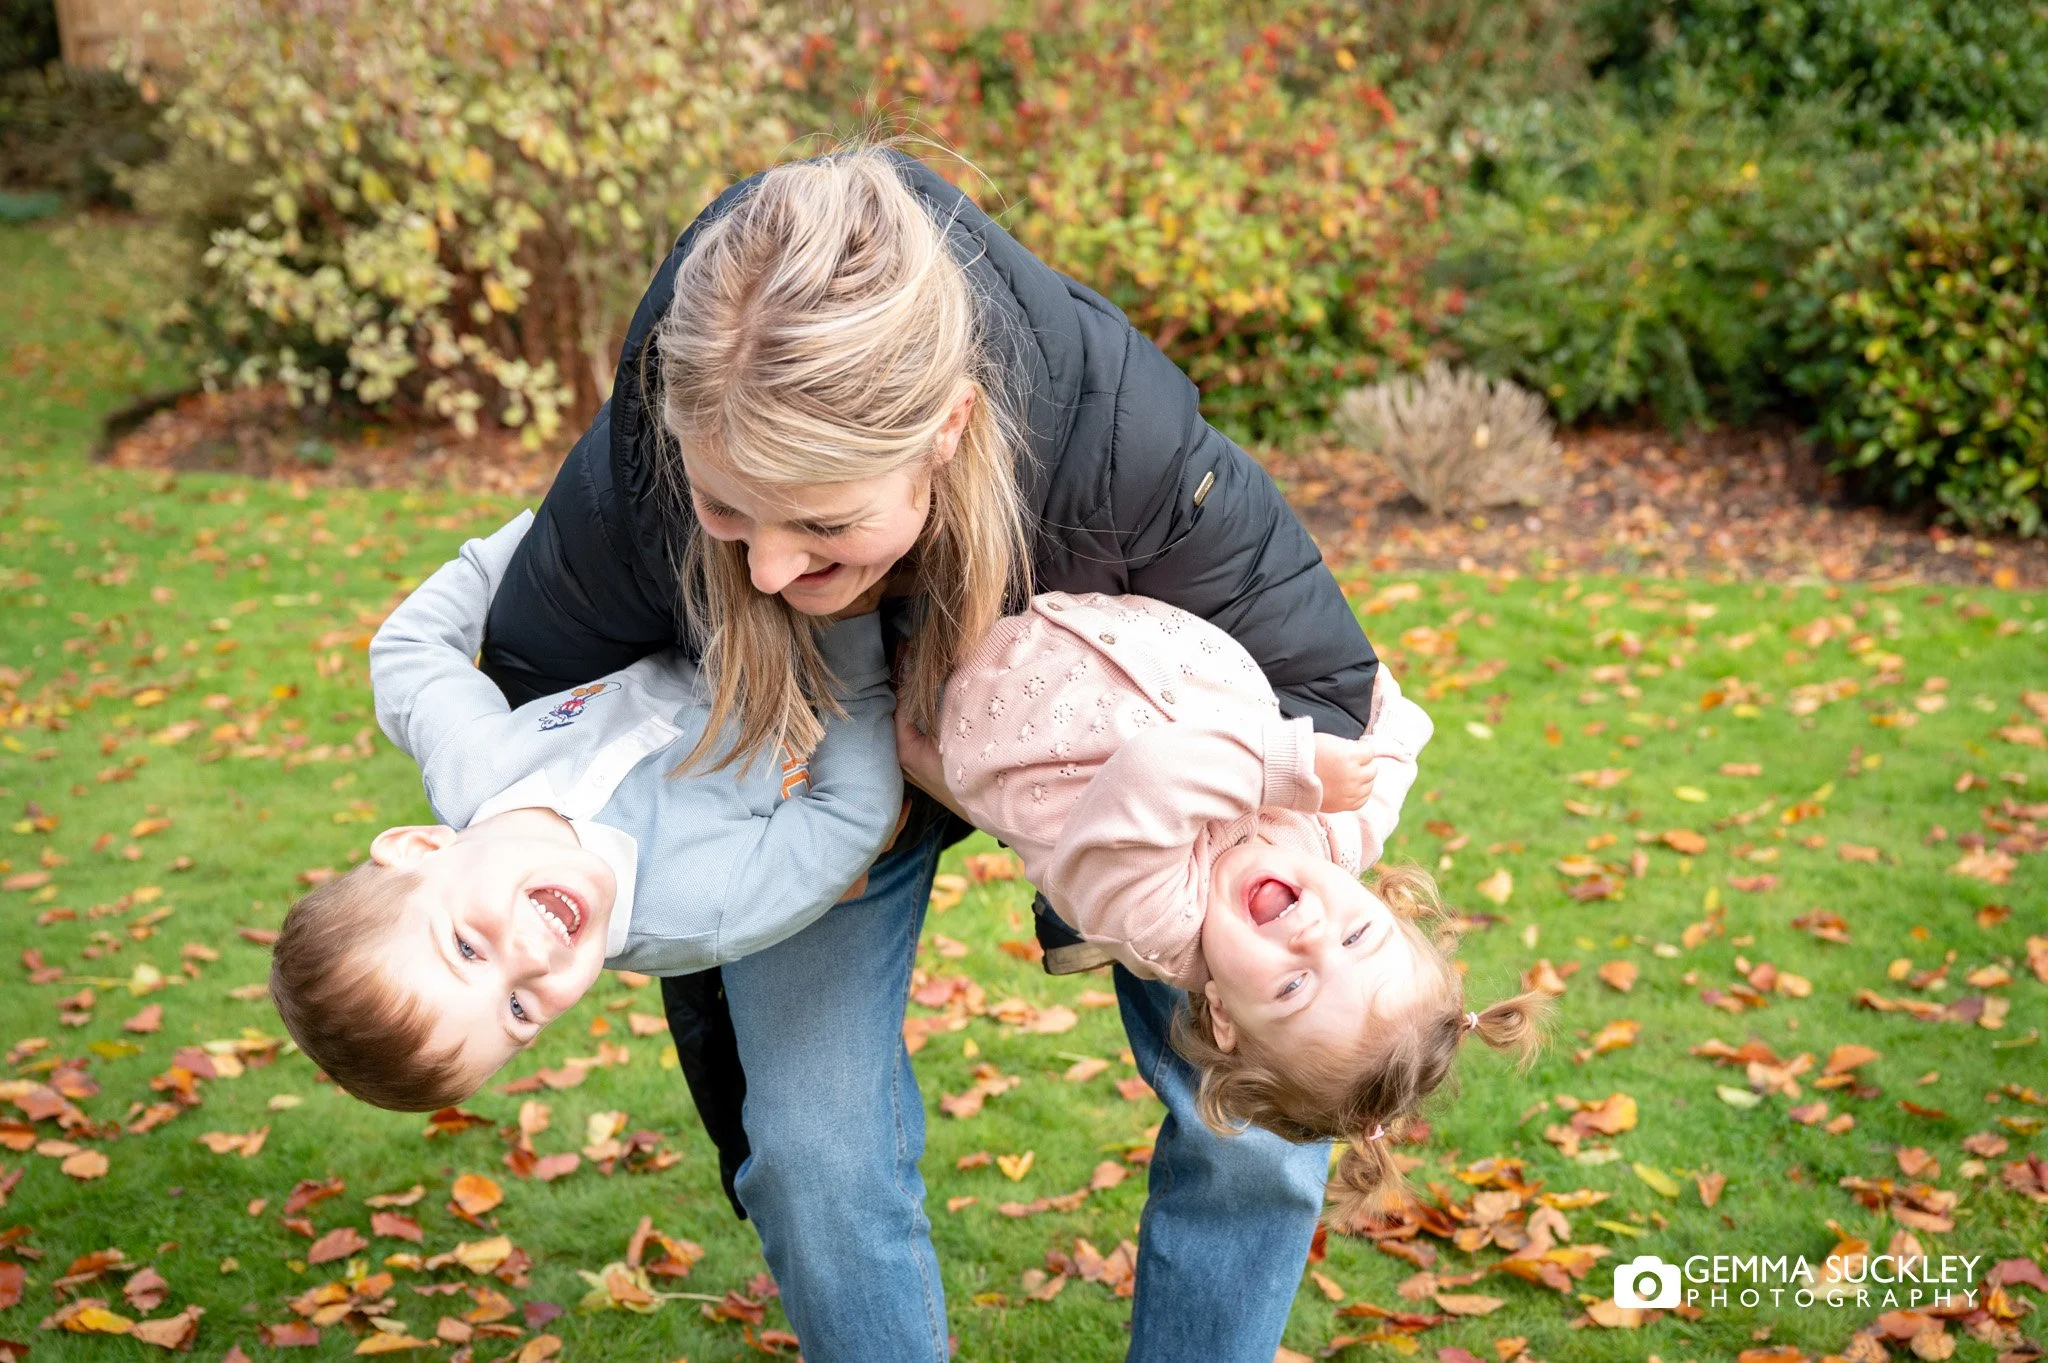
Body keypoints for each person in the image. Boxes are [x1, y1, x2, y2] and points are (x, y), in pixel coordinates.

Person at [476, 143, 1386, 1362]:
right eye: (730, 512)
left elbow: (1322, 684)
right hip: (804, 776)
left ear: (949, 426)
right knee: (809, 1150)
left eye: (824, 522)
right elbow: (542, 695)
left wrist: (1127, 845)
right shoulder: (645, 466)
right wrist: (672, 871)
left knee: (1266, 1121)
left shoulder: (1114, 439)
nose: (770, 573)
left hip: (1133, 775)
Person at [905, 589, 1548, 1219]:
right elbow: (1397, 747)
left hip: (964, 659)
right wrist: (1379, 714)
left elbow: (1154, 771)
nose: (1313, 936)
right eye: (1357, 937)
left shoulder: (1156, 921)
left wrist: (1293, 764)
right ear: (1383, 904)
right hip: (1089, 595)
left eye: (1295, 986)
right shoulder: (1329, 843)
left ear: (1222, 1018)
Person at [267, 511, 901, 1111]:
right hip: (842, 625)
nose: (534, 961)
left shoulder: (476, 765)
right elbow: (849, 819)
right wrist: (849, 635)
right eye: (519, 1011)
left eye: (466, 948)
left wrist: (562, 523)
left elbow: (409, 651)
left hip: (699, 566)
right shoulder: (704, 908)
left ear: (419, 850)